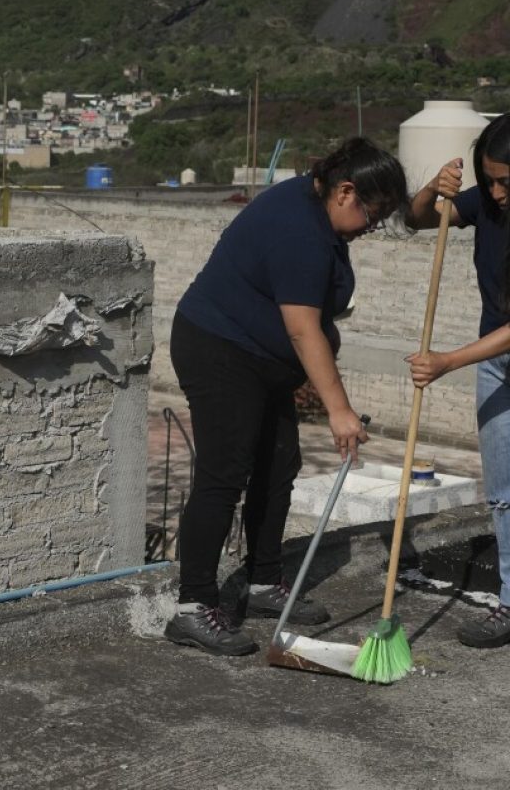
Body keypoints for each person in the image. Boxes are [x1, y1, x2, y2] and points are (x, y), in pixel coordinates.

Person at [165, 137, 408, 655]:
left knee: (278, 466)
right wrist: (339, 410)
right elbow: (302, 330)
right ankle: (192, 607)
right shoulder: (299, 231)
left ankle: (261, 582)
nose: (372, 225)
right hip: (221, 350)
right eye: (373, 212)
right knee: (224, 473)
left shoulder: (314, 202)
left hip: (263, 361)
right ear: (346, 191)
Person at [405, 113, 510, 648]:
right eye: (488, 179)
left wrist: (448, 361)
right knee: (504, 492)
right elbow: (423, 218)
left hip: (492, 351)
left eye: (506, 181)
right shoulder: (488, 205)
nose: (495, 192)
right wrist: (432, 188)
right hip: (497, 364)